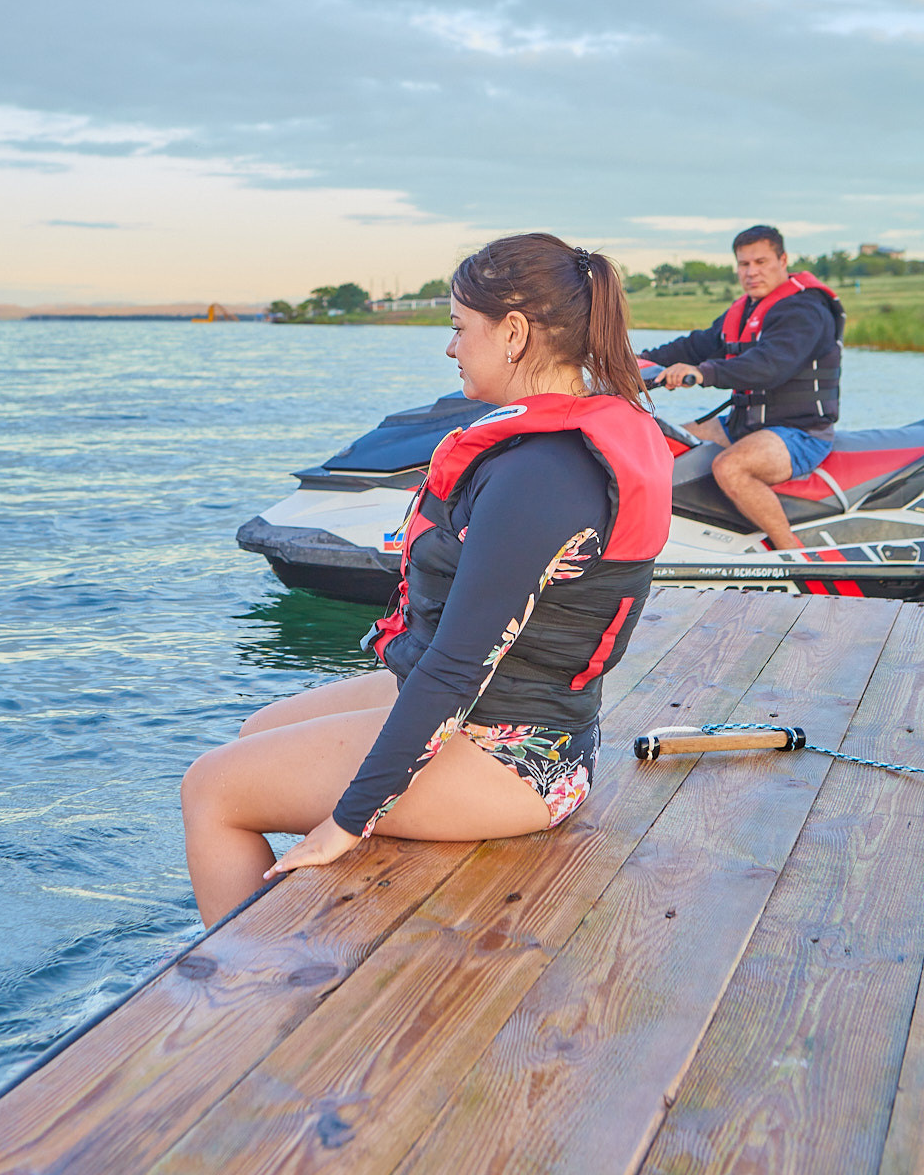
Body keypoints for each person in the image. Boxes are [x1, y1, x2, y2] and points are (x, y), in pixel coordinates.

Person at [181, 234, 674, 925]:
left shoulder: (545, 475)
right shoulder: (550, 448)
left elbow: (457, 667)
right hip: (502, 714)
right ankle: (287, 922)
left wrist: (348, 821)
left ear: (514, 334)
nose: (450, 348)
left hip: (519, 759)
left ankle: (242, 984)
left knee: (211, 789)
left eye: (459, 328)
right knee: (256, 731)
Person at [641, 225, 844, 552]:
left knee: (730, 467)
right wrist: (633, 363)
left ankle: (791, 557)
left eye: (761, 262)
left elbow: (768, 365)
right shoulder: (744, 311)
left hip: (800, 432)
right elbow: (694, 346)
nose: (751, 272)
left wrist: (702, 373)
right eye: (744, 264)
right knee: (660, 448)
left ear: (783, 260)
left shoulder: (807, 311)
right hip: (744, 425)